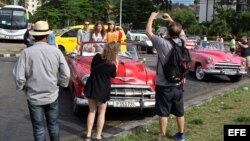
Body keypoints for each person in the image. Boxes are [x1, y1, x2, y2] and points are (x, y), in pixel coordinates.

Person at [12, 21, 70, 141]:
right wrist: (61, 84)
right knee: (53, 125)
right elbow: (66, 74)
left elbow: (18, 77)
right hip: (52, 95)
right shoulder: (56, 51)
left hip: (34, 96)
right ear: (48, 36)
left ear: (33, 36)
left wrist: (24, 88)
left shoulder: (26, 53)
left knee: (38, 128)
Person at [146, 12, 186, 141]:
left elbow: (148, 32)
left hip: (164, 84)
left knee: (163, 112)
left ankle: (163, 136)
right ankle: (181, 135)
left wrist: (152, 17)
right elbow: (181, 32)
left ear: (167, 32)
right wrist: (171, 20)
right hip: (178, 83)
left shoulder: (162, 43)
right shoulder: (182, 41)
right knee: (179, 111)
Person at [84, 42, 119, 140]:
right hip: (103, 89)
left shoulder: (96, 57)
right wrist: (116, 64)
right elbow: (113, 75)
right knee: (101, 112)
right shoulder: (112, 65)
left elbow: (91, 69)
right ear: (114, 53)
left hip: (92, 86)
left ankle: (88, 135)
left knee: (91, 111)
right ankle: (98, 135)